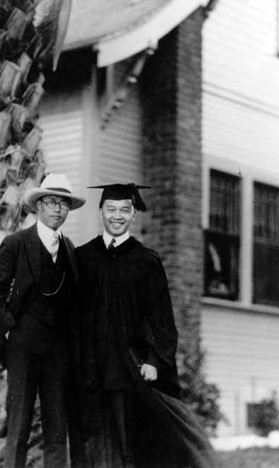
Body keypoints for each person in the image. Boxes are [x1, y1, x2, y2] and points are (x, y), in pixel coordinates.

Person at [74, 183, 219, 468]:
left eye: (124, 210)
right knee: (93, 438)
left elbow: (161, 318)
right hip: (90, 366)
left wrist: (154, 360)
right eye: (111, 209)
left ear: (133, 216)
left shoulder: (145, 260)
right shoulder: (83, 257)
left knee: (131, 440)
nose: (117, 216)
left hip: (129, 365)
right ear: (100, 212)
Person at [0, 173, 85, 468]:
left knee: (56, 426)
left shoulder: (70, 250)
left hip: (58, 351)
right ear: (39, 206)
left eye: (63, 204)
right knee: (19, 423)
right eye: (52, 202)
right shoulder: (16, 243)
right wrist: (11, 332)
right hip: (23, 347)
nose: (58, 209)